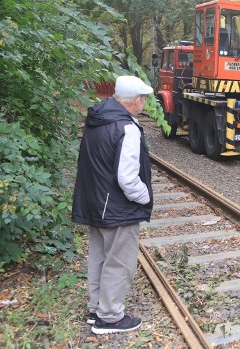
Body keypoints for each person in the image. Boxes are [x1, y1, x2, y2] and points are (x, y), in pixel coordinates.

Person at [72, 75, 154, 335]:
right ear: (136, 100)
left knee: (99, 257)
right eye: (144, 98)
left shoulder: (97, 118)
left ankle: (97, 308)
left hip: (94, 201)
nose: (144, 103)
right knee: (119, 262)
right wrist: (145, 197)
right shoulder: (127, 128)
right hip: (117, 208)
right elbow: (128, 179)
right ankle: (109, 318)